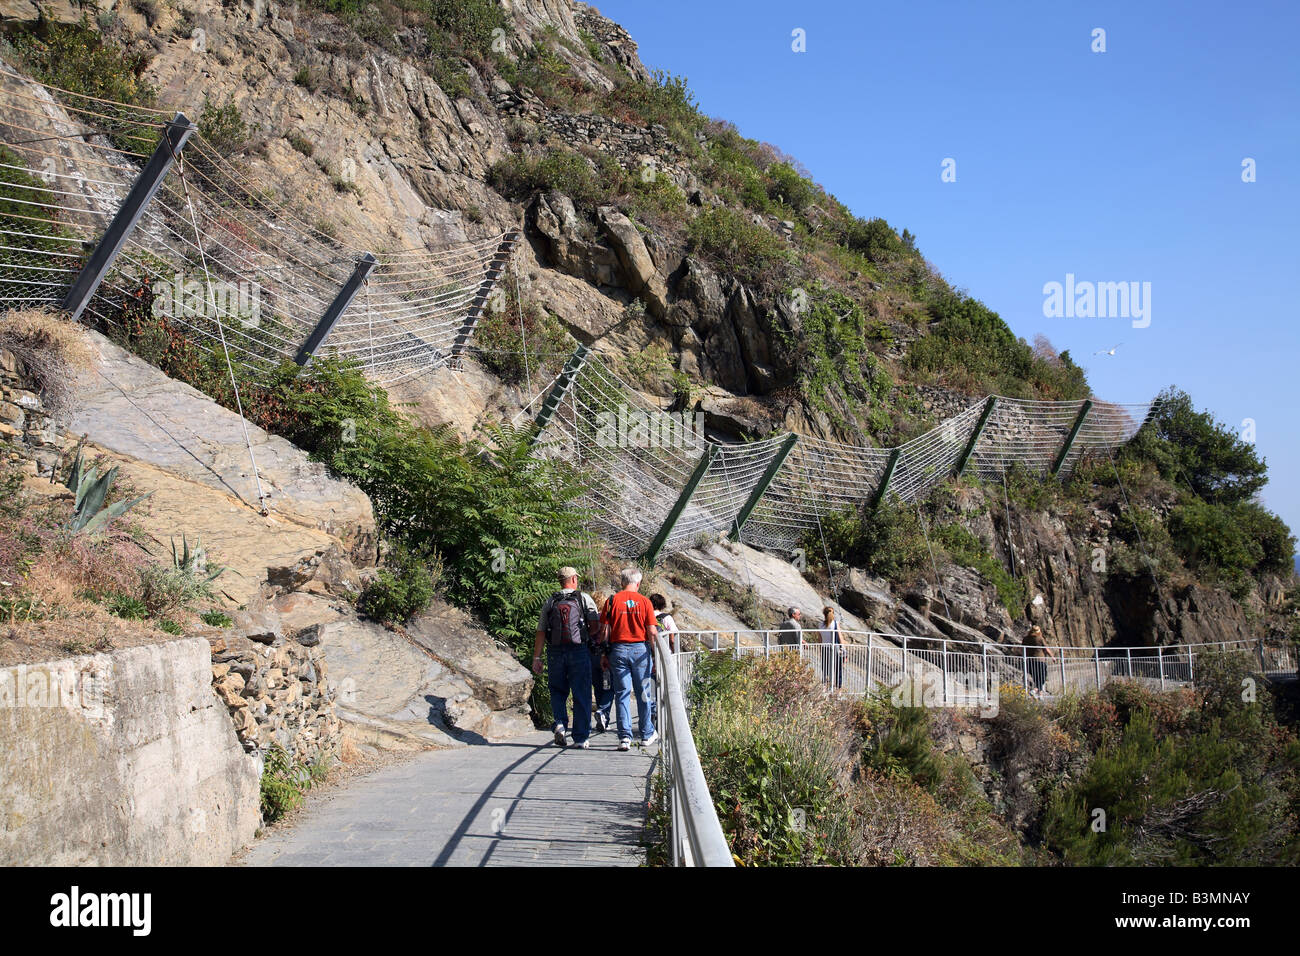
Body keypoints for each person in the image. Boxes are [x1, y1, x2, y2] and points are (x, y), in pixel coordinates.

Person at [533, 566, 601, 749]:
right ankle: (580, 738)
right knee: (581, 692)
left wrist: (536, 658)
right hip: (579, 650)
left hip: (555, 651)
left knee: (557, 690)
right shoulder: (583, 598)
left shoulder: (550, 601)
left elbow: (541, 631)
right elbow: (595, 626)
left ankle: (560, 724)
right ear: (573, 579)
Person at [601, 567, 659, 751]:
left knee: (622, 693)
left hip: (617, 650)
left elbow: (604, 630)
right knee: (643, 692)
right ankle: (646, 734)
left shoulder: (611, 601)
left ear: (622, 582)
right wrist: (656, 655)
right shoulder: (645, 602)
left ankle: (624, 737)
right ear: (638, 583)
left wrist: (604, 653)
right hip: (640, 651)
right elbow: (652, 631)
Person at [649, 593, 678, 726]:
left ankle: (651, 710)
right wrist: (672, 652)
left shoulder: (646, 616)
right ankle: (660, 715)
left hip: (647, 654)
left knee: (649, 685)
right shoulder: (667, 618)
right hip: (662, 655)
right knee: (663, 684)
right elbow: (672, 638)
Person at [589, 590, 614, 733]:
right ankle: (603, 713)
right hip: (605, 656)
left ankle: (601, 713)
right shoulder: (605, 618)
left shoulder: (589, 618)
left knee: (597, 687)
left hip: (591, 655)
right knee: (610, 687)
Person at [1024, 624, 1055, 696]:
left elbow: (1023, 648)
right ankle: (1036, 690)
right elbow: (1046, 649)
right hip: (1040, 660)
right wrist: (1052, 657)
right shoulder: (1039, 638)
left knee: (1036, 677)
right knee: (1043, 676)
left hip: (1030, 660)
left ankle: (1040, 694)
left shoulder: (1026, 639)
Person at [819, 605, 844, 691]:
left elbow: (820, 639)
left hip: (825, 647)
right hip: (835, 647)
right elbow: (840, 637)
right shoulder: (835, 623)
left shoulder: (820, 625)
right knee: (838, 668)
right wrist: (843, 649)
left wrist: (820, 650)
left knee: (825, 668)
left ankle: (825, 687)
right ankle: (838, 688)